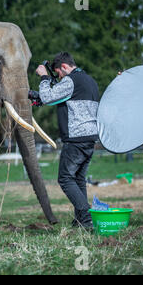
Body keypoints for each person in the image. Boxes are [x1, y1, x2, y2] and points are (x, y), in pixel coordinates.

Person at [35, 52, 99, 229]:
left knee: (65, 178)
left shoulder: (71, 80)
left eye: (59, 74)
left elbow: (48, 97)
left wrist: (45, 77)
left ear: (63, 67)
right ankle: (81, 220)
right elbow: (60, 98)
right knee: (78, 179)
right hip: (89, 138)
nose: (60, 79)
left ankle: (86, 218)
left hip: (76, 138)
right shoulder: (89, 81)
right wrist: (37, 96)